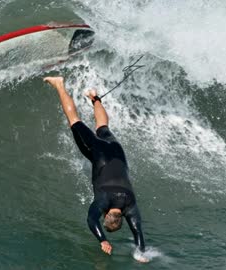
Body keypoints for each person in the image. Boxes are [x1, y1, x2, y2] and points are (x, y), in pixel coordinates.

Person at [43, 76, 147, 262]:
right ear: (106, 214)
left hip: (116, 151)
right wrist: (103, 240)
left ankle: (94, 97)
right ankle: (58, 83)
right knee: (74, 120)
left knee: (102, 127)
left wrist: (141, 252)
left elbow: (138, 231)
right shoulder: (103, 200)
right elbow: (91, 220)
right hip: (97, 152)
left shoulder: (130, 204)